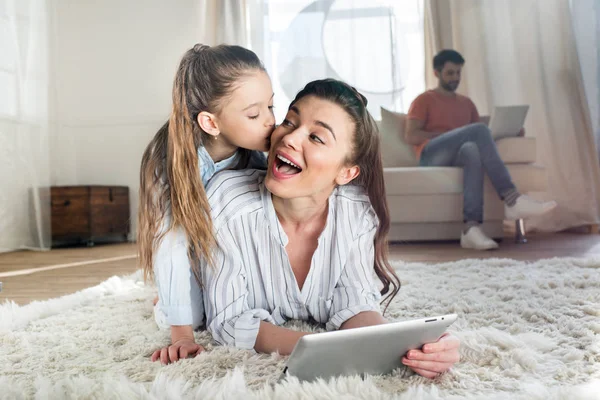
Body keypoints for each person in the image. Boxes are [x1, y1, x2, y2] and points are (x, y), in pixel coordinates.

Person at [202, 79, 460, 379]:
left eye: (316, 137)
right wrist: (323, 346)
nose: (288, 138)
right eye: (289, 121)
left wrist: (418, 349)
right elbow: (229, 321)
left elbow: (356, 302)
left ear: (346, 172)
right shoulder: (228, 202)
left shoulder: (356, 213)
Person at [137, 44, 275, 364]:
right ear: (211, 123)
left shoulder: (253, 151)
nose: (270, 121)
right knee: (198, 317)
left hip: (223, 246)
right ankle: (165, 301)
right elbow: (170, 243)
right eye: (255, 114)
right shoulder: (172, 161)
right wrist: (182, 334)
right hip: (182, 249)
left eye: (271, 106)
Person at [405, 49, 557, 250]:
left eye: (458, 72)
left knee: (472, 150)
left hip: (459, 154)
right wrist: (450, 136)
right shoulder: (424, 100)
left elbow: (482, 137)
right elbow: (411, 135)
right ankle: (512, 199)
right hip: (431, 155)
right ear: (437, 73)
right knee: (474, 133)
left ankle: (471, 229)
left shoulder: (466, 103)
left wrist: (509, 132)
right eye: (450, 73)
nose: (455, 77)